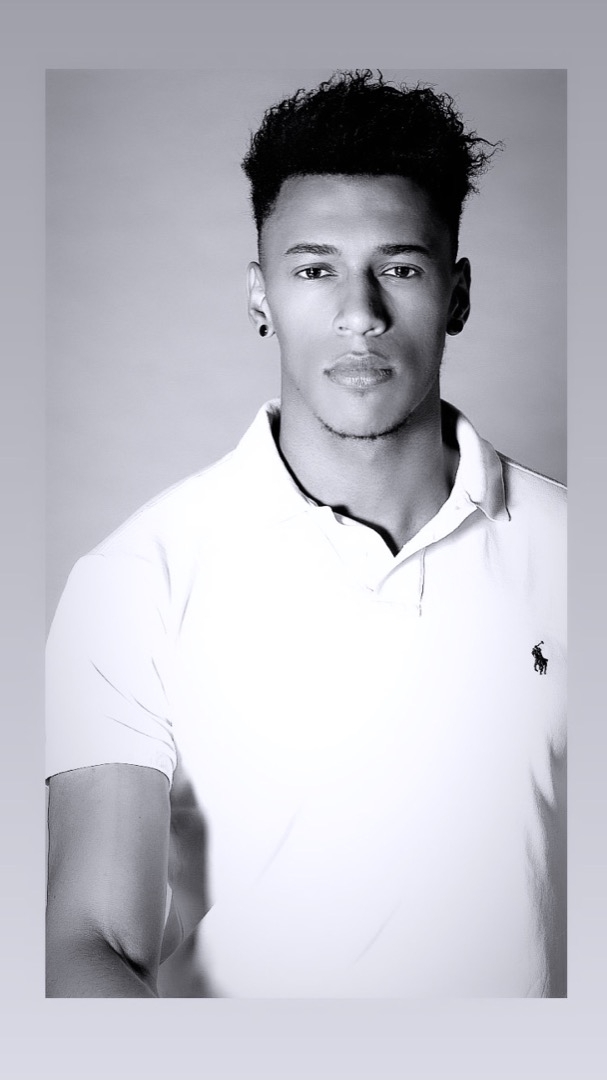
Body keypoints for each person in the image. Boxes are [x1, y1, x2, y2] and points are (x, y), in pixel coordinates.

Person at [45, 70, 566, 998]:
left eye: (399, 267)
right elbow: (90, 942)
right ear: (261, 295)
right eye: (314, 269)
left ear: (456, 293)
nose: (359, 314)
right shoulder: (137, 579)